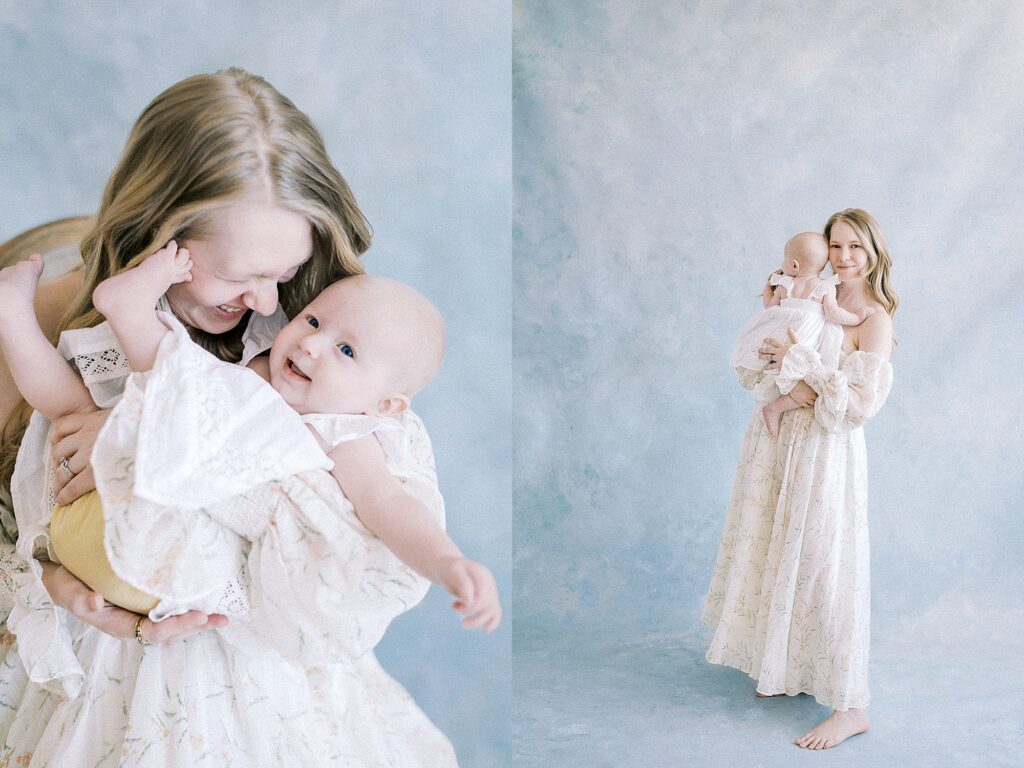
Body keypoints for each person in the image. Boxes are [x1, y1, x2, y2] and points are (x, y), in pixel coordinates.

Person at [0, 68, 465, 766]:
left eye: (284, 275)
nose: (263, 302)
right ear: (157, 235)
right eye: (234, 274)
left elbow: (348, 530)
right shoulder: (49, 328)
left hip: (252, 683)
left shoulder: (321, 339)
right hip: (87, 672)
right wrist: (45, 580)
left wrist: (166, 439)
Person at [703, 208, 896, 750]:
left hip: (825, 452)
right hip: (779, 442)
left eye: (855, 246)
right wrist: (775, 342)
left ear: (874, 252)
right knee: (776, 551)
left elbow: (858, 404)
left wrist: (799, 361)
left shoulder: (874, 318)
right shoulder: (810, 298)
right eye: (836, 246)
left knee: (823, 566)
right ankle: (784, 669)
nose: (844, 257)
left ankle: (851, 707)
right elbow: (764, 363)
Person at [731, 231, 874, 437]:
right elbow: (834, 313)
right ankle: (776, 408)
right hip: (805, 339)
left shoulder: (785, 284)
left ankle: (772, 404)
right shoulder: (825, 287)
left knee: (776, 370)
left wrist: (768, 292)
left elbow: (771, 309)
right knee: (806, 375)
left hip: (781, 334)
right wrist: (858, 317)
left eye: (785, 258)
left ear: (795, 265)